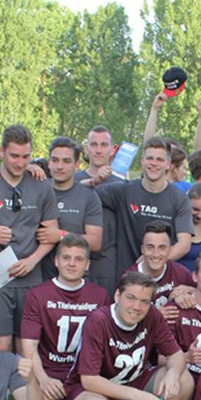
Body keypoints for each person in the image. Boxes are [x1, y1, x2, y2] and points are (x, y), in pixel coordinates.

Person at [65, 272, 193, 400]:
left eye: (144, 301)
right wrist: (136, 396)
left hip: (134, 380)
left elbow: (176, 355)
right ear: (117, 296)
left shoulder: (152, 315)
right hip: (95, 389)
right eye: (131, 298)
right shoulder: (98, 320)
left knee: (184, 380)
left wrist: (172, 374)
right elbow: (89, 380)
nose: (137, 307)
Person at [0, 124, 60, 352]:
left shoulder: (41, 185)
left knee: (27, 346)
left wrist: (33, 260)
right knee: (0, 343)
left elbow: (51, 233)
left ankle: (25, 389)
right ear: (1, 152)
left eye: (26, 156)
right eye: (14, 156)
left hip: (31, 277)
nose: (20, 162)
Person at [19, 234, 110, 400]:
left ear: (87, 264)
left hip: (82, 374)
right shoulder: (38, 294)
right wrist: (42, 378)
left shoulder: (99, 295)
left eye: (78, 259)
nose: (71, 264)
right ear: (56, 261)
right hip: (49, 370)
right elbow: (29, 345)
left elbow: (104, 344)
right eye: (66, 258)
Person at [97, 138, 193, 278]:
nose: (154, 163)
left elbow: (184, 244)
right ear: (142, 161)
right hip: (127, 277)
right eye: (150, 158)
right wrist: (94, 180)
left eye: (160, 159)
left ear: (168, 164)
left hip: (162, 280)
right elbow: (83, 195)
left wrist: (152, 261)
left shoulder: (179, 199)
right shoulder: (123, 191)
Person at [39, 136, 103, 279]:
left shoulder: (88, 196)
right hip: (37, 275)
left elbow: (95, 242)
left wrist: (61, 235)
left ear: (77, 165)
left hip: (74, 279)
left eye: (66, 161)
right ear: (49, 163)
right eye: (55, 160)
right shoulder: (37, 189)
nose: (59, 166)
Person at [75, 126, 124, 295]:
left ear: (112, 150)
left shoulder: (121, 184)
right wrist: (94, 181)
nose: (98, 150)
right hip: (75, 257)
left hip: (107, 262)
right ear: (87, 148)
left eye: (104, 145)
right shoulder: (72, 180)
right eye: (94, 144)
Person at [119, 221, 195, 319]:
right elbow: (123, 318)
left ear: (170, 249)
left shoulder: (180, 272)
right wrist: (155, 317)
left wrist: (190, 291)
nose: (155, 254)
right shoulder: (129, 278)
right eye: (150, 247)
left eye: (162, 248)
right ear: (142, 249)